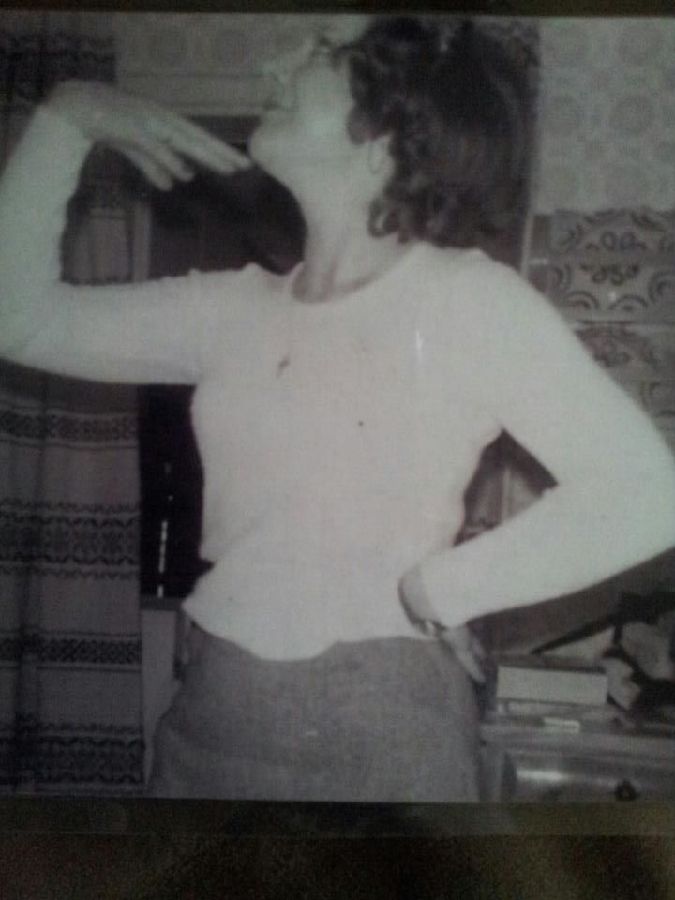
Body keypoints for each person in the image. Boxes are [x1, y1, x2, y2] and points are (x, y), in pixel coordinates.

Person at [1, 17, 674, 802]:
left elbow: (645, 495)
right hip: (210, 708)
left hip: (379, 723)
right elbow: (20, 318)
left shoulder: (464, 298)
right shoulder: (230, 308)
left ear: (382, 137)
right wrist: (68, 117)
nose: (276, 63)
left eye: (322, 53)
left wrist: (443, 589)